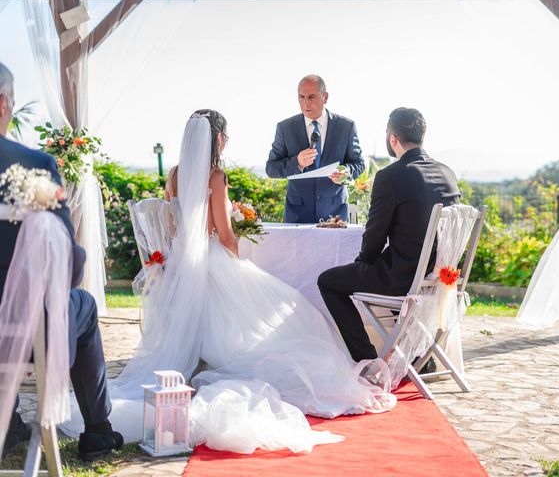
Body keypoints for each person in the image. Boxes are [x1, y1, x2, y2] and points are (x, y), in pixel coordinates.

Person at [61, 110, 395, 451]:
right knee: (293, 306)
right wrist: (236, 259)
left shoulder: (175, 174)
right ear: (217, 139)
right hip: (211, 259)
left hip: (180, 266)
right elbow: (225, 236)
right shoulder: (215, 176)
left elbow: (175, 228)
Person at [0, 62, 122, 460]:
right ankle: (98, 431)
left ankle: (11, 425)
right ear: (4, 104)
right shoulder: (30, 167)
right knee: (81, 303)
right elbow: (67, 265)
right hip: (23, 328)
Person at [318, 107, 461, 362]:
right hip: (437, 276)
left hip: (402, 277)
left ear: (393, 138)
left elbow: (375, 235)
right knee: (399, 260)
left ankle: (367, 360)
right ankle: (419, 360)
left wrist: (362, 264)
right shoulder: (447, 173)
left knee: (328, 281)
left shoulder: (391, 176)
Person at [266, 75, 364, 223]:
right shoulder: (285, 128)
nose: (306, 103)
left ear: (325, 97)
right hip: (297, 215)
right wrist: (297, 162)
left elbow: (359, 163)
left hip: (335, 214)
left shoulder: (346, 126)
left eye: (312, 97)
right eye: (301, 97)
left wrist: (346, 172)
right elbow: (271, 168)